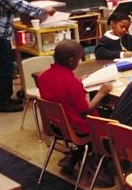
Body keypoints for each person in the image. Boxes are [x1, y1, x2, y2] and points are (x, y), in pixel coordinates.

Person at [37, 40, 113, 180]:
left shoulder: (43, 76)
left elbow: (60, 91)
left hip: (57, 125)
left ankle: (75, 154)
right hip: (78, 128)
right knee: (112, 116)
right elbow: (86, 111)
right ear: (71, 61)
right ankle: (97, 158)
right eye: (79, 59)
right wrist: (102, 92)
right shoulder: (71, 83)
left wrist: (78, 81)